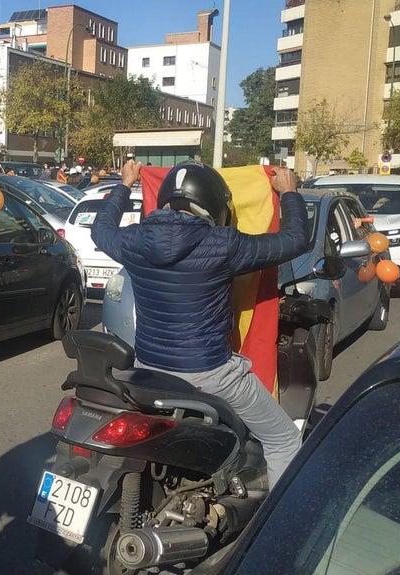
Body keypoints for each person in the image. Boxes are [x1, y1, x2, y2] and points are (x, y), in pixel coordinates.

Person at [91, 160, 310, 488]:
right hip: (210, 374)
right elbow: (294, 241)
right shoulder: (223, 244)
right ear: (212, 203)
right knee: (284, 441)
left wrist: (125, 184)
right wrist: (290, 193)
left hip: (148, 369)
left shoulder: (133, 240)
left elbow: (100, 230)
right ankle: (277, 531)